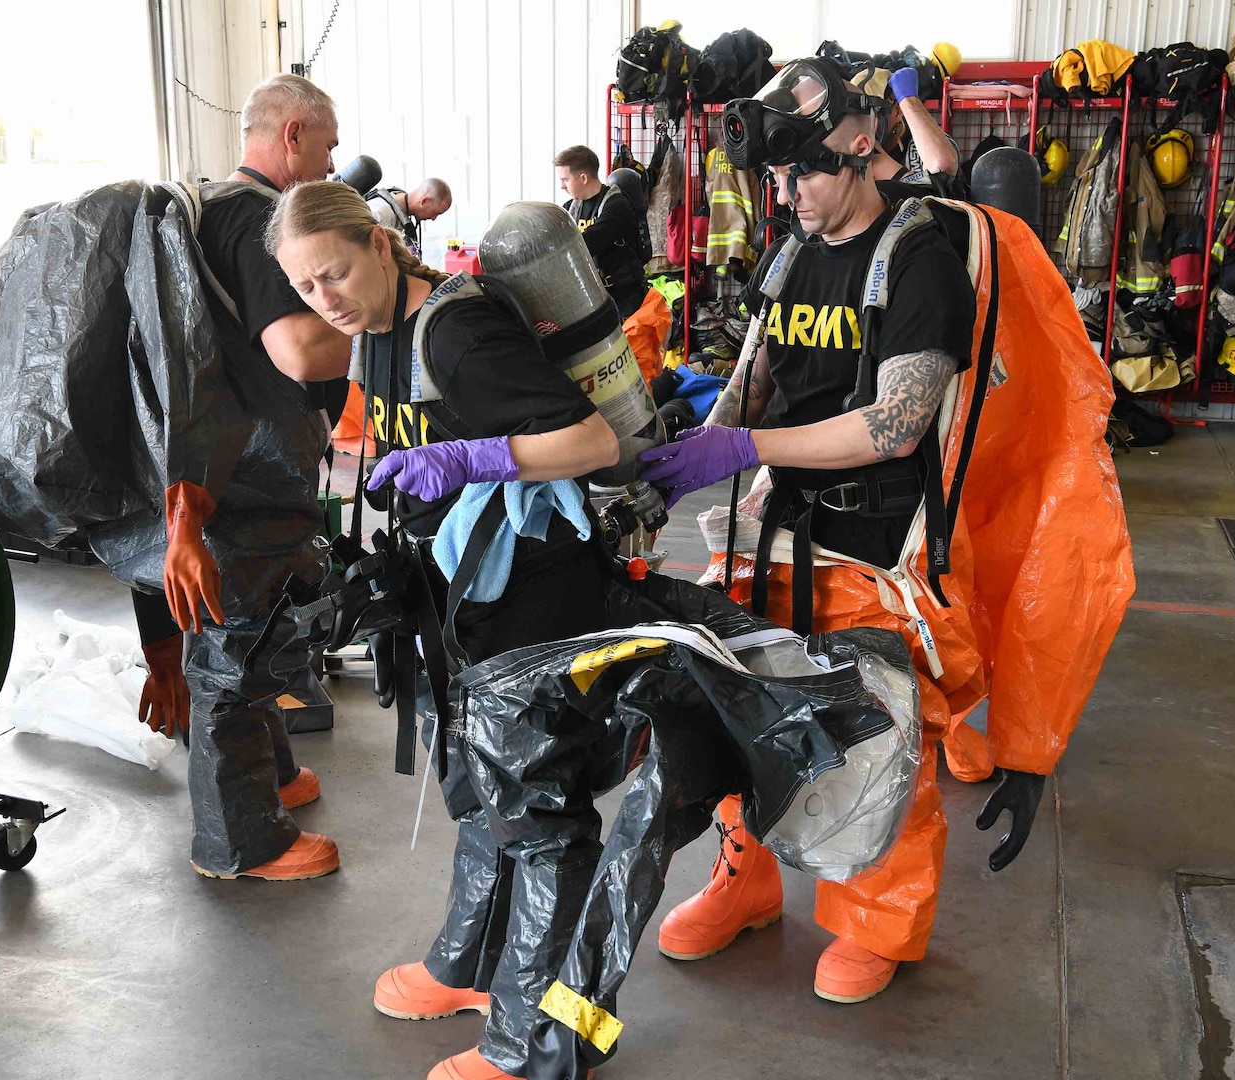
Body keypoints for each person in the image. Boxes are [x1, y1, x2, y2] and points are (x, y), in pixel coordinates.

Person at [636, 58, 1045, 1005]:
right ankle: (750, 881)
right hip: (776, 530)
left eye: (806, 174)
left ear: (862, 144)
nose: (793, 195)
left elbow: (894, 425)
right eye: (779, 180)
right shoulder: (789, 254)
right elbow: (752, 376)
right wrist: (688, 456)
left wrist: (744, 444)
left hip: (879, 542)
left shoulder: (918, 261)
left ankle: (881, 923)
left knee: (878, 736)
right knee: (741, 711)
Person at [266, 180, 622, 1080]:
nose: (327, 300)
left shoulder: (455, 333)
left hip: (536, 601)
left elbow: (592, 444)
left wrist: (474, 456)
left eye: (336, 273)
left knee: (541, 815)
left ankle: (549, 1040)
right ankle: (469, 968)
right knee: (481, 787)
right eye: (306, 289)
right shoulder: (374, 339)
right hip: (461, 605)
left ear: (381, 246)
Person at [140, 72, 354, 882]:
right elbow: (298, 349)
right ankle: (240, 842)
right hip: (258, 461)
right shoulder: (266, 220)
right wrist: (383, 319)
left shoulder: (204, 208)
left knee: (253, 623)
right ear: (292, 134)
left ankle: (277, 778)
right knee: (235, 641)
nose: (331, 167)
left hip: (227, 455)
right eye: (327, 146)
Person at [555, 144, 648, 320]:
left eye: (565, 179)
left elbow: (586, 244)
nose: (561, 186)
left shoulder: (617, 206)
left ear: (583, 178)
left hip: (625, 303)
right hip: (593, 300)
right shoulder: (569, 209)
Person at [867, 66, 961, 188]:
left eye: (872, 113)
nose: (863, 123)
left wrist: (909, 101)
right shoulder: (852, 149)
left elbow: (943, 167)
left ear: (897, 111)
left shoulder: (921, 148)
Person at [367, 177, 453, 256]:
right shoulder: (381, 214)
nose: (433, 218)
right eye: (435, 213)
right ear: (425, 201)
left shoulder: (402, 212)